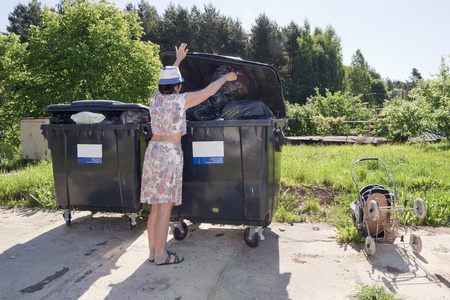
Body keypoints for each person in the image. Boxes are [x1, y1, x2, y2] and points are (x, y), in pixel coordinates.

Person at [140, 43, 237, 265]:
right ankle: (162, 256)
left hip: (153, 152)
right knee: (165, 208)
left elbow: (168, 81)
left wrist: (178, 61)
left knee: (155, 207)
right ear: (177, 85)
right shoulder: (180, 101)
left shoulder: (155, 99)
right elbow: (208, 92)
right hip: (169, 155)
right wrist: (226, 78)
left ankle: (153, 252)